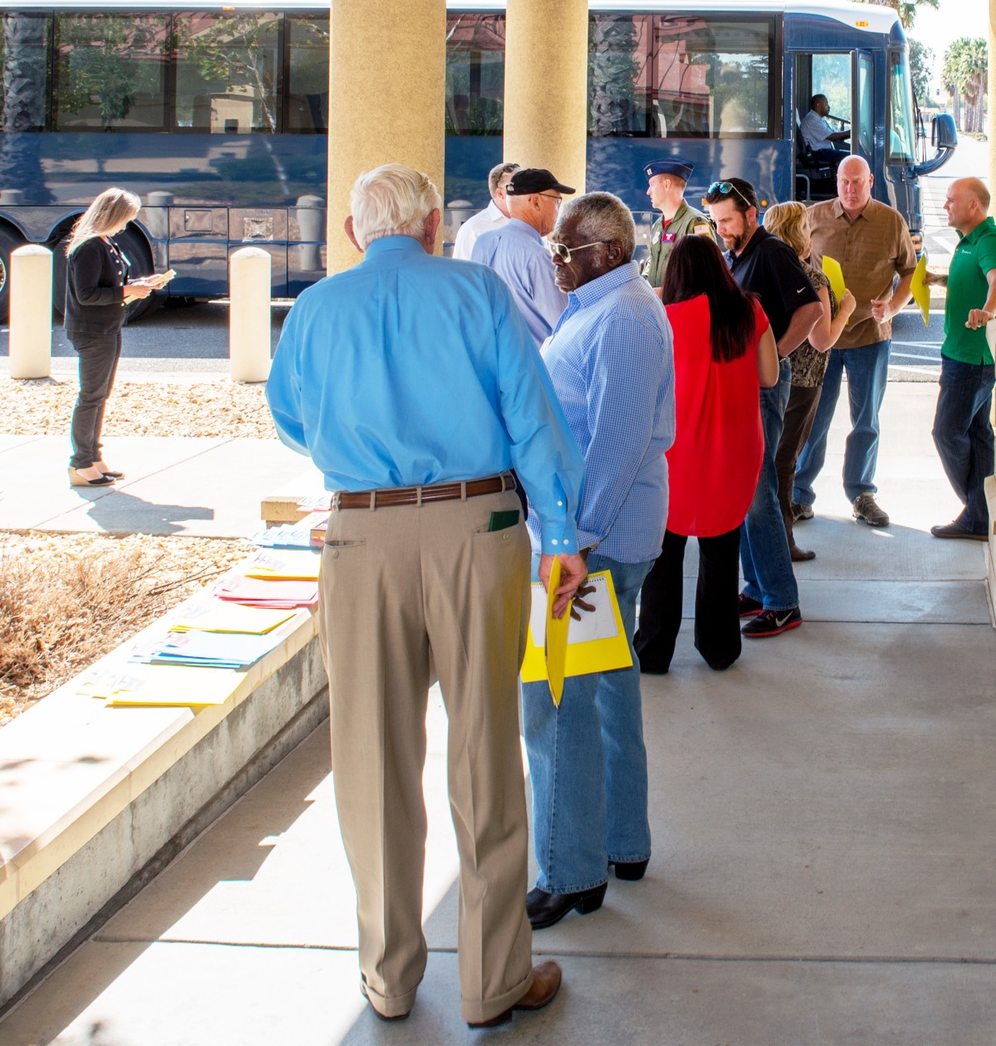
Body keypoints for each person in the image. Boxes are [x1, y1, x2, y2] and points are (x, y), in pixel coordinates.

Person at [266, 163, 587, 1030]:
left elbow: (291, 417)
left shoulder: (317, 307)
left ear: (351, 231)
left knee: (370, 762)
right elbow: (533, 416)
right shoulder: (477, 292)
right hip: (475, 529)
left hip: (360, 534)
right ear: (435, 230)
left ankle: (389, 977)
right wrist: (560, 539)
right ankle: (493, 979)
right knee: (485, 752)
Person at [521, 191, 675, 929]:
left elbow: (615, 445)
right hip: (601, 542)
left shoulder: (622, 317)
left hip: (594, 548)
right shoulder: (604, 306)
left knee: (557, 703)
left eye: (565, 249)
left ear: (608, 251)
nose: (554, 260)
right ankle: (621, 843)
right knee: (608, 692)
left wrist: (572, 542)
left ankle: (571, 870)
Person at [634, 234, 778, 674]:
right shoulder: (749, 310)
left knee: (664, 555)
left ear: (675, 273)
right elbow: (769, 376)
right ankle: (719, 648)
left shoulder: (665, 317)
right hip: (735, 449)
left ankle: (655, 650)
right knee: (721, 550)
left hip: (677, 451)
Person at [706, 178, 821, 639]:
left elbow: (810, 310)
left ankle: (782, 602)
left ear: (752, 213)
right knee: (745, 488)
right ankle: (757, 587)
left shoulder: (772, 251)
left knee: (759, 491)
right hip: (746, 384)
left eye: (728, 220)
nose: (722, 230)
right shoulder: (737, 253)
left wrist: (775, 361)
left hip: (764, 386)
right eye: (717, 222)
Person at [793, 155, 917, 528]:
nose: (850, 189)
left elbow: (911, 273)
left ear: (871, 183)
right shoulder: (813, 218)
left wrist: (893, 307)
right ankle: (800, 495)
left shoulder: (891, 221)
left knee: (866, 421)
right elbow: (796, 263)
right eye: (844, 182)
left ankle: (862, 494)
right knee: (813, 419)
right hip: (823, 339)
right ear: (837, 183)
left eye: (857, 182)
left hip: (869, 337)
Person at [763, 201, 856, 562]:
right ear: (796, 233)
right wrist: (845, 309)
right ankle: (783, 542)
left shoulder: (764, 270)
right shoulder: (811, 278)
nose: (810, 234)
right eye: (805, 228)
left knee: (769, 459)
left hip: (767, 375)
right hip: (801, 382)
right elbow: (822, 339)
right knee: (785, 462)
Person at [64, 188, 167, 487]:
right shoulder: (90, 247)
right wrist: (128, 291)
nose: (127, 225)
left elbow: (109, 284)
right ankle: (81, 462)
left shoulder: (105, 243)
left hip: (107, 326)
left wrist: (140, 284)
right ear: (111, 215)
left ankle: (93, 457)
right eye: (125, 218)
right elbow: (87, 294)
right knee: (91, 396)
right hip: (92, 329)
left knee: (99, 395)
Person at [924, 178, 996, 541]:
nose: (945, 206)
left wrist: (987, 311)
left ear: (974, 207)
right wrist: (938, 279)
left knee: (946, 433)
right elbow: (973, 280)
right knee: (979, 434)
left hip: (969, 360)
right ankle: (981, 516)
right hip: (966, 357)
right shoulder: (968, 241)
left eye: (952, 201)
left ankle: (977, 510)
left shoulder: (987, 240)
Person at [471, 166, 574, 345]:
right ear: (535, 202)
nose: (559, 210)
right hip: (534, 365)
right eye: (557, 201)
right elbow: (565, 326)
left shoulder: (483, 242)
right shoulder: (538, 257)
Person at [642, 158, 716, 294]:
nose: (648, 191)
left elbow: (705, 276)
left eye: (652, 185)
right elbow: (652, 264)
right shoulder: (657, 226)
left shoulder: (696, 222)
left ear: (666, 184)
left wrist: (666, 293)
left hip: (682, 310)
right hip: (659, 310)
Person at [452, 160, 519, 260]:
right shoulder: (472, 229)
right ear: (500, 194)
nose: (526, 192)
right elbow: (461, 271)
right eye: (518, 188)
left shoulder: (533, 224)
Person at [799, 94, 850, 171]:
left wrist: (849, 134)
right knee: (851, 156)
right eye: (826, 104)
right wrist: (849, 132)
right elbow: (831, 136)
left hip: (823, 151)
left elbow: (835, 136)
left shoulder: (819, 120)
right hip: (818, 153)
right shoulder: (812, 119)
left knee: (851, 153)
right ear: (818, 105)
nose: (829, 107)